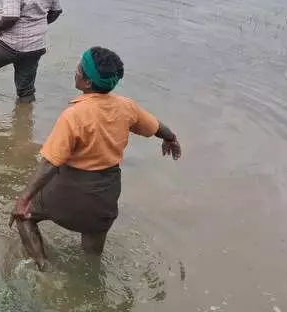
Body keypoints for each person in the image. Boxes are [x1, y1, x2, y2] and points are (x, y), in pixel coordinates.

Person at [11, 46, 182, 271]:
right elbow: (157, 127)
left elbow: (50, 164)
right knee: (92, 252)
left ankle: (43, 267)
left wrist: (24, 199)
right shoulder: (126, 107)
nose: (76, 71)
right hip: (104, 199)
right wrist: (171, 139)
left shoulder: (74, 115)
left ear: (87, 82)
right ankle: (91, 278)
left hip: (68, 194)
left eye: (80, 69)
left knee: (24, 216)